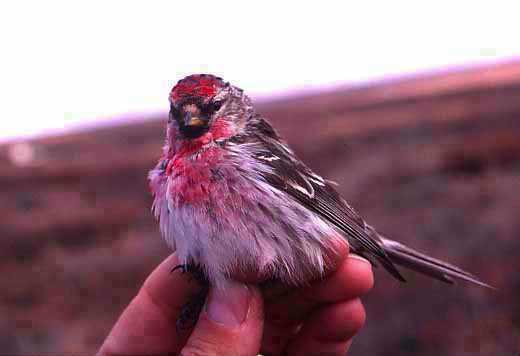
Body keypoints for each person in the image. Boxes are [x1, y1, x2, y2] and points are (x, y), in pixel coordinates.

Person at [98, 241, 373, 356]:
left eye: (208, 114)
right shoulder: (171, 169)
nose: (191, 121)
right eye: (178, 116)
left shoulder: (242, 148)